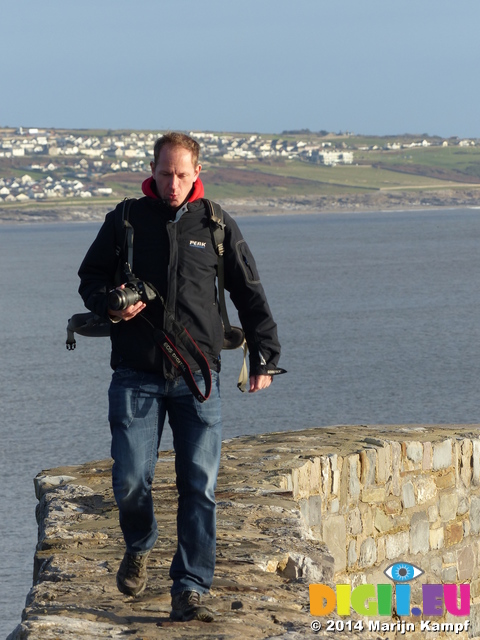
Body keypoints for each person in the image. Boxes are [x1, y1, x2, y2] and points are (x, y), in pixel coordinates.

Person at [78, 132, 284, 622]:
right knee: (130, 481)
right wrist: (109, 302)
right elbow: (89, 277)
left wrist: (264, 357)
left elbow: (249, 292)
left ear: (196, 175)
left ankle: (190, 588)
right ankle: (141, 543)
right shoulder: (125, 220)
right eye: (165, 173)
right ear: (152, 169)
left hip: (198, 376)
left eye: (181, 175)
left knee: (200, 484)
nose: (172, 184)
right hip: (135, 373)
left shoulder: (215, 224)